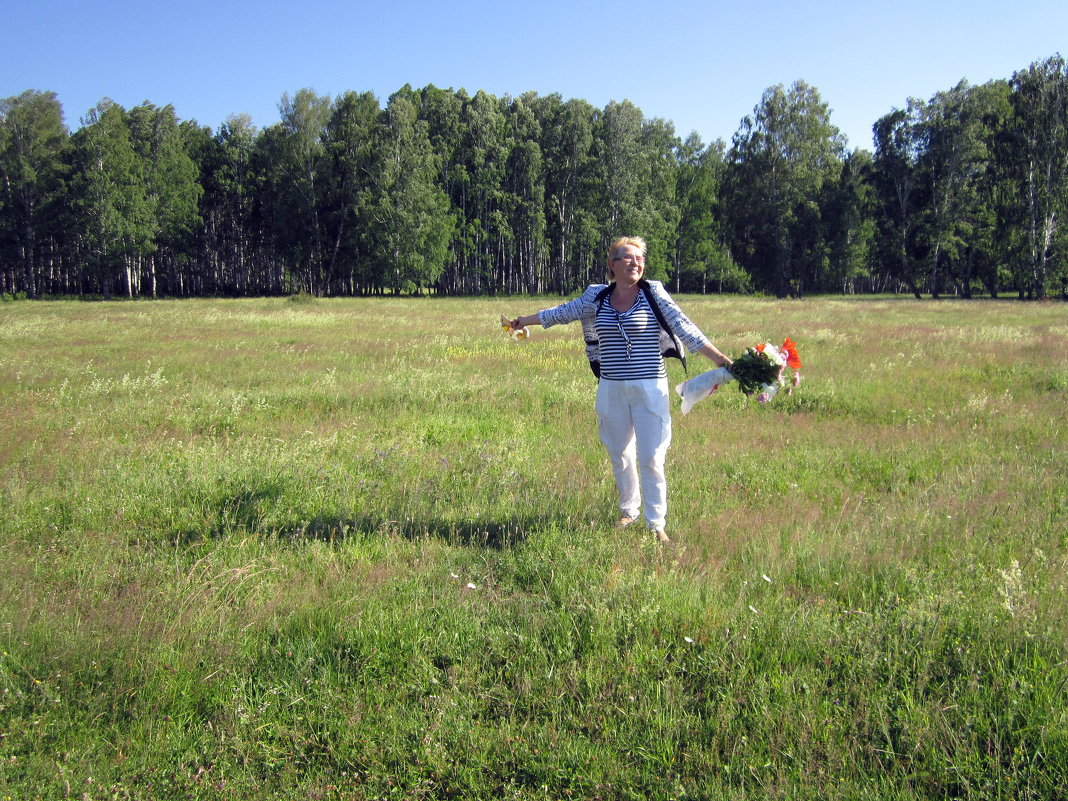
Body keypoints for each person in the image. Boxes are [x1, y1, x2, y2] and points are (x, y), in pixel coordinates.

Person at [508, 236, 731, 543]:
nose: (634, 263)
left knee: (652, 456)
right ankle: (629, 510)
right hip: (611, 388)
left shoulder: (653, 294)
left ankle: (656, 523)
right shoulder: (596, 296)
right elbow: (562, 312)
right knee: (620, 453)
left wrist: (723, 361)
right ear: (611, 265)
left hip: (650, 388)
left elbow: (685, 328)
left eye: (639, 258)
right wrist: (524, 321)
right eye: (626, 258)